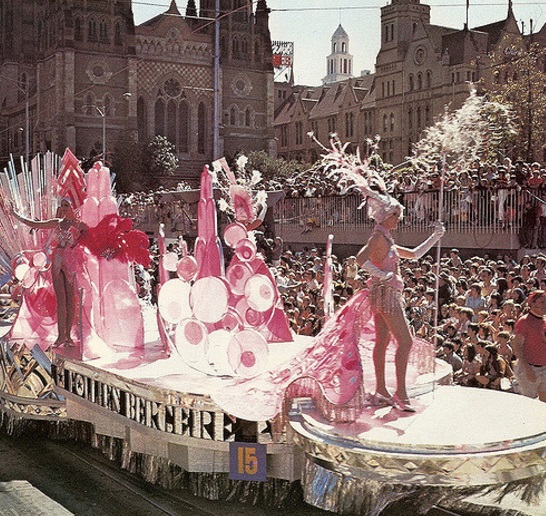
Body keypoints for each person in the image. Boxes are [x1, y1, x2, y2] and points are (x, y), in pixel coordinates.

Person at [355, 198, 444, 411]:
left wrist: (435, 237)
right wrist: (381, 274)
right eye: (394, 215)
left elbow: (414, 254)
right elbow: (359, 259)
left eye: (398, 214)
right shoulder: (378, 237)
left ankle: (382, 390)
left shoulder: (387, 239)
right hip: (386, 294)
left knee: (383, 341)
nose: (398, 218)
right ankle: (400, 394)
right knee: (406, 341)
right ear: (384, 216)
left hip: (385, 293)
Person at [11, 199, 87, 347]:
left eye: (67, 205)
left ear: (72, 207)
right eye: (62, 205)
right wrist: (15, 213)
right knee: (61, 300)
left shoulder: (80, 226)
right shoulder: (57, 222)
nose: (64, 208)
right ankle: (60, 336)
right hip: (58, 260)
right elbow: (33, 224)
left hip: (71, 262)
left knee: (71, 300)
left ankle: (68, 337)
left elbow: (92, 241)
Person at [512, 290, 546, 402]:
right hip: (529, 367)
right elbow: (517, 346)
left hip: (544, 367)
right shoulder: (525, 321)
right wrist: (527, 369)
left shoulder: (544, 321)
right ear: (533, 303)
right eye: (542, 302)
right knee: (527, 402)